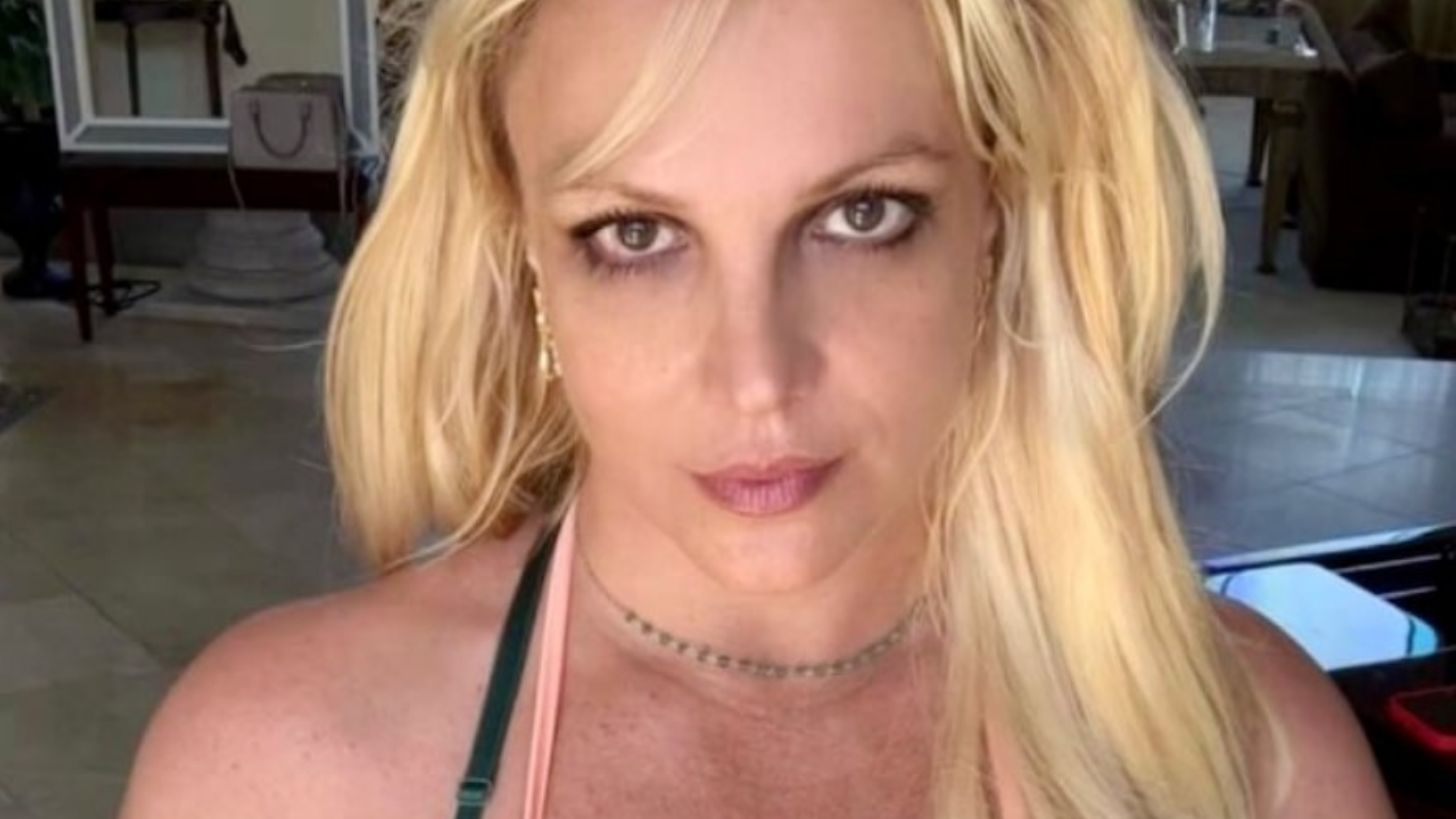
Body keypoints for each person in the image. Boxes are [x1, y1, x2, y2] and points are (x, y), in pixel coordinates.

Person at [119, 0, 1397, 817]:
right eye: (634, 233)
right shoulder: (281, 769)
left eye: (862, 214)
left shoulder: (1253, 757)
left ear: (995, 221)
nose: (757, 379)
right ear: (526, 257)